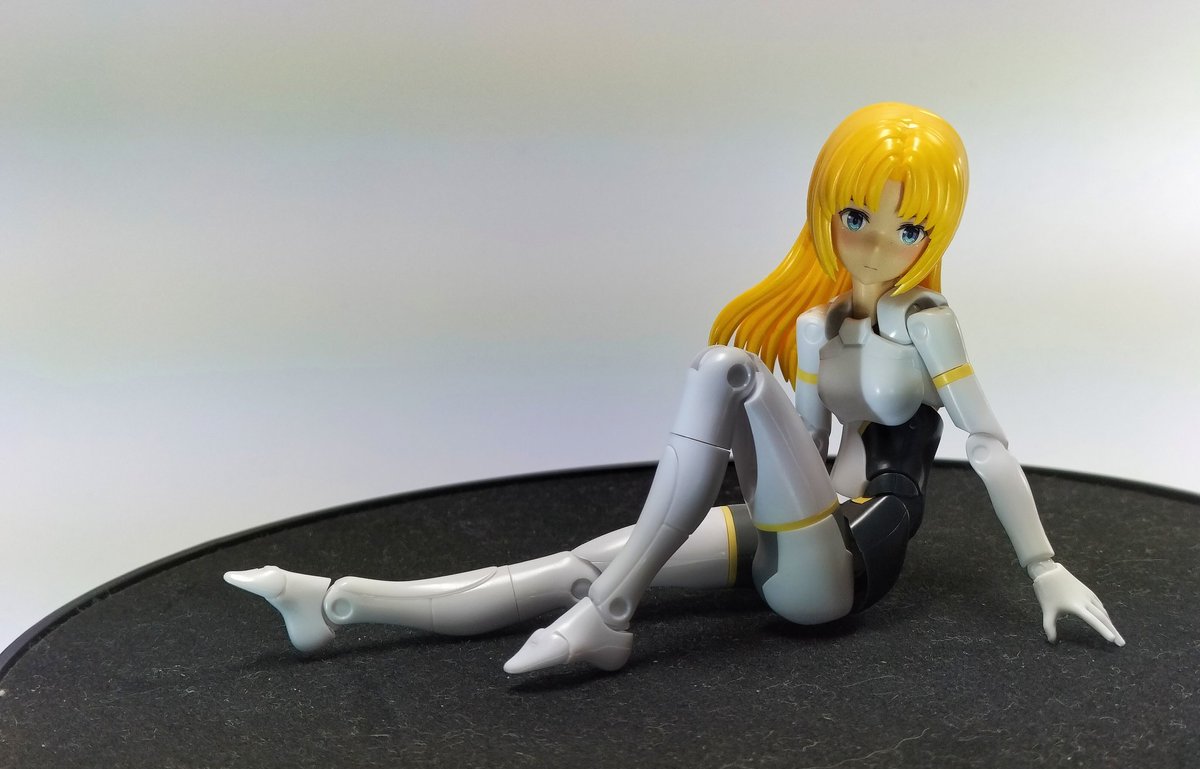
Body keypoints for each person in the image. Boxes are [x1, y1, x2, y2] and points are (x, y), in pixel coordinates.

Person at [226, 102, 1123, 676]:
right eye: (858, 216)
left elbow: (987, 444)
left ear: (935, 234)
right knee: (578, 565)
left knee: (725, 370)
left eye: (908, 227)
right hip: (793, 528)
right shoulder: (817, 326)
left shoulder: (927, 321)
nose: (877, 245)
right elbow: (806, 447)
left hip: (846, 568)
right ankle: (339, 603)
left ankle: (610, 620)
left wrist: (1045, 569)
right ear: (827, 210)